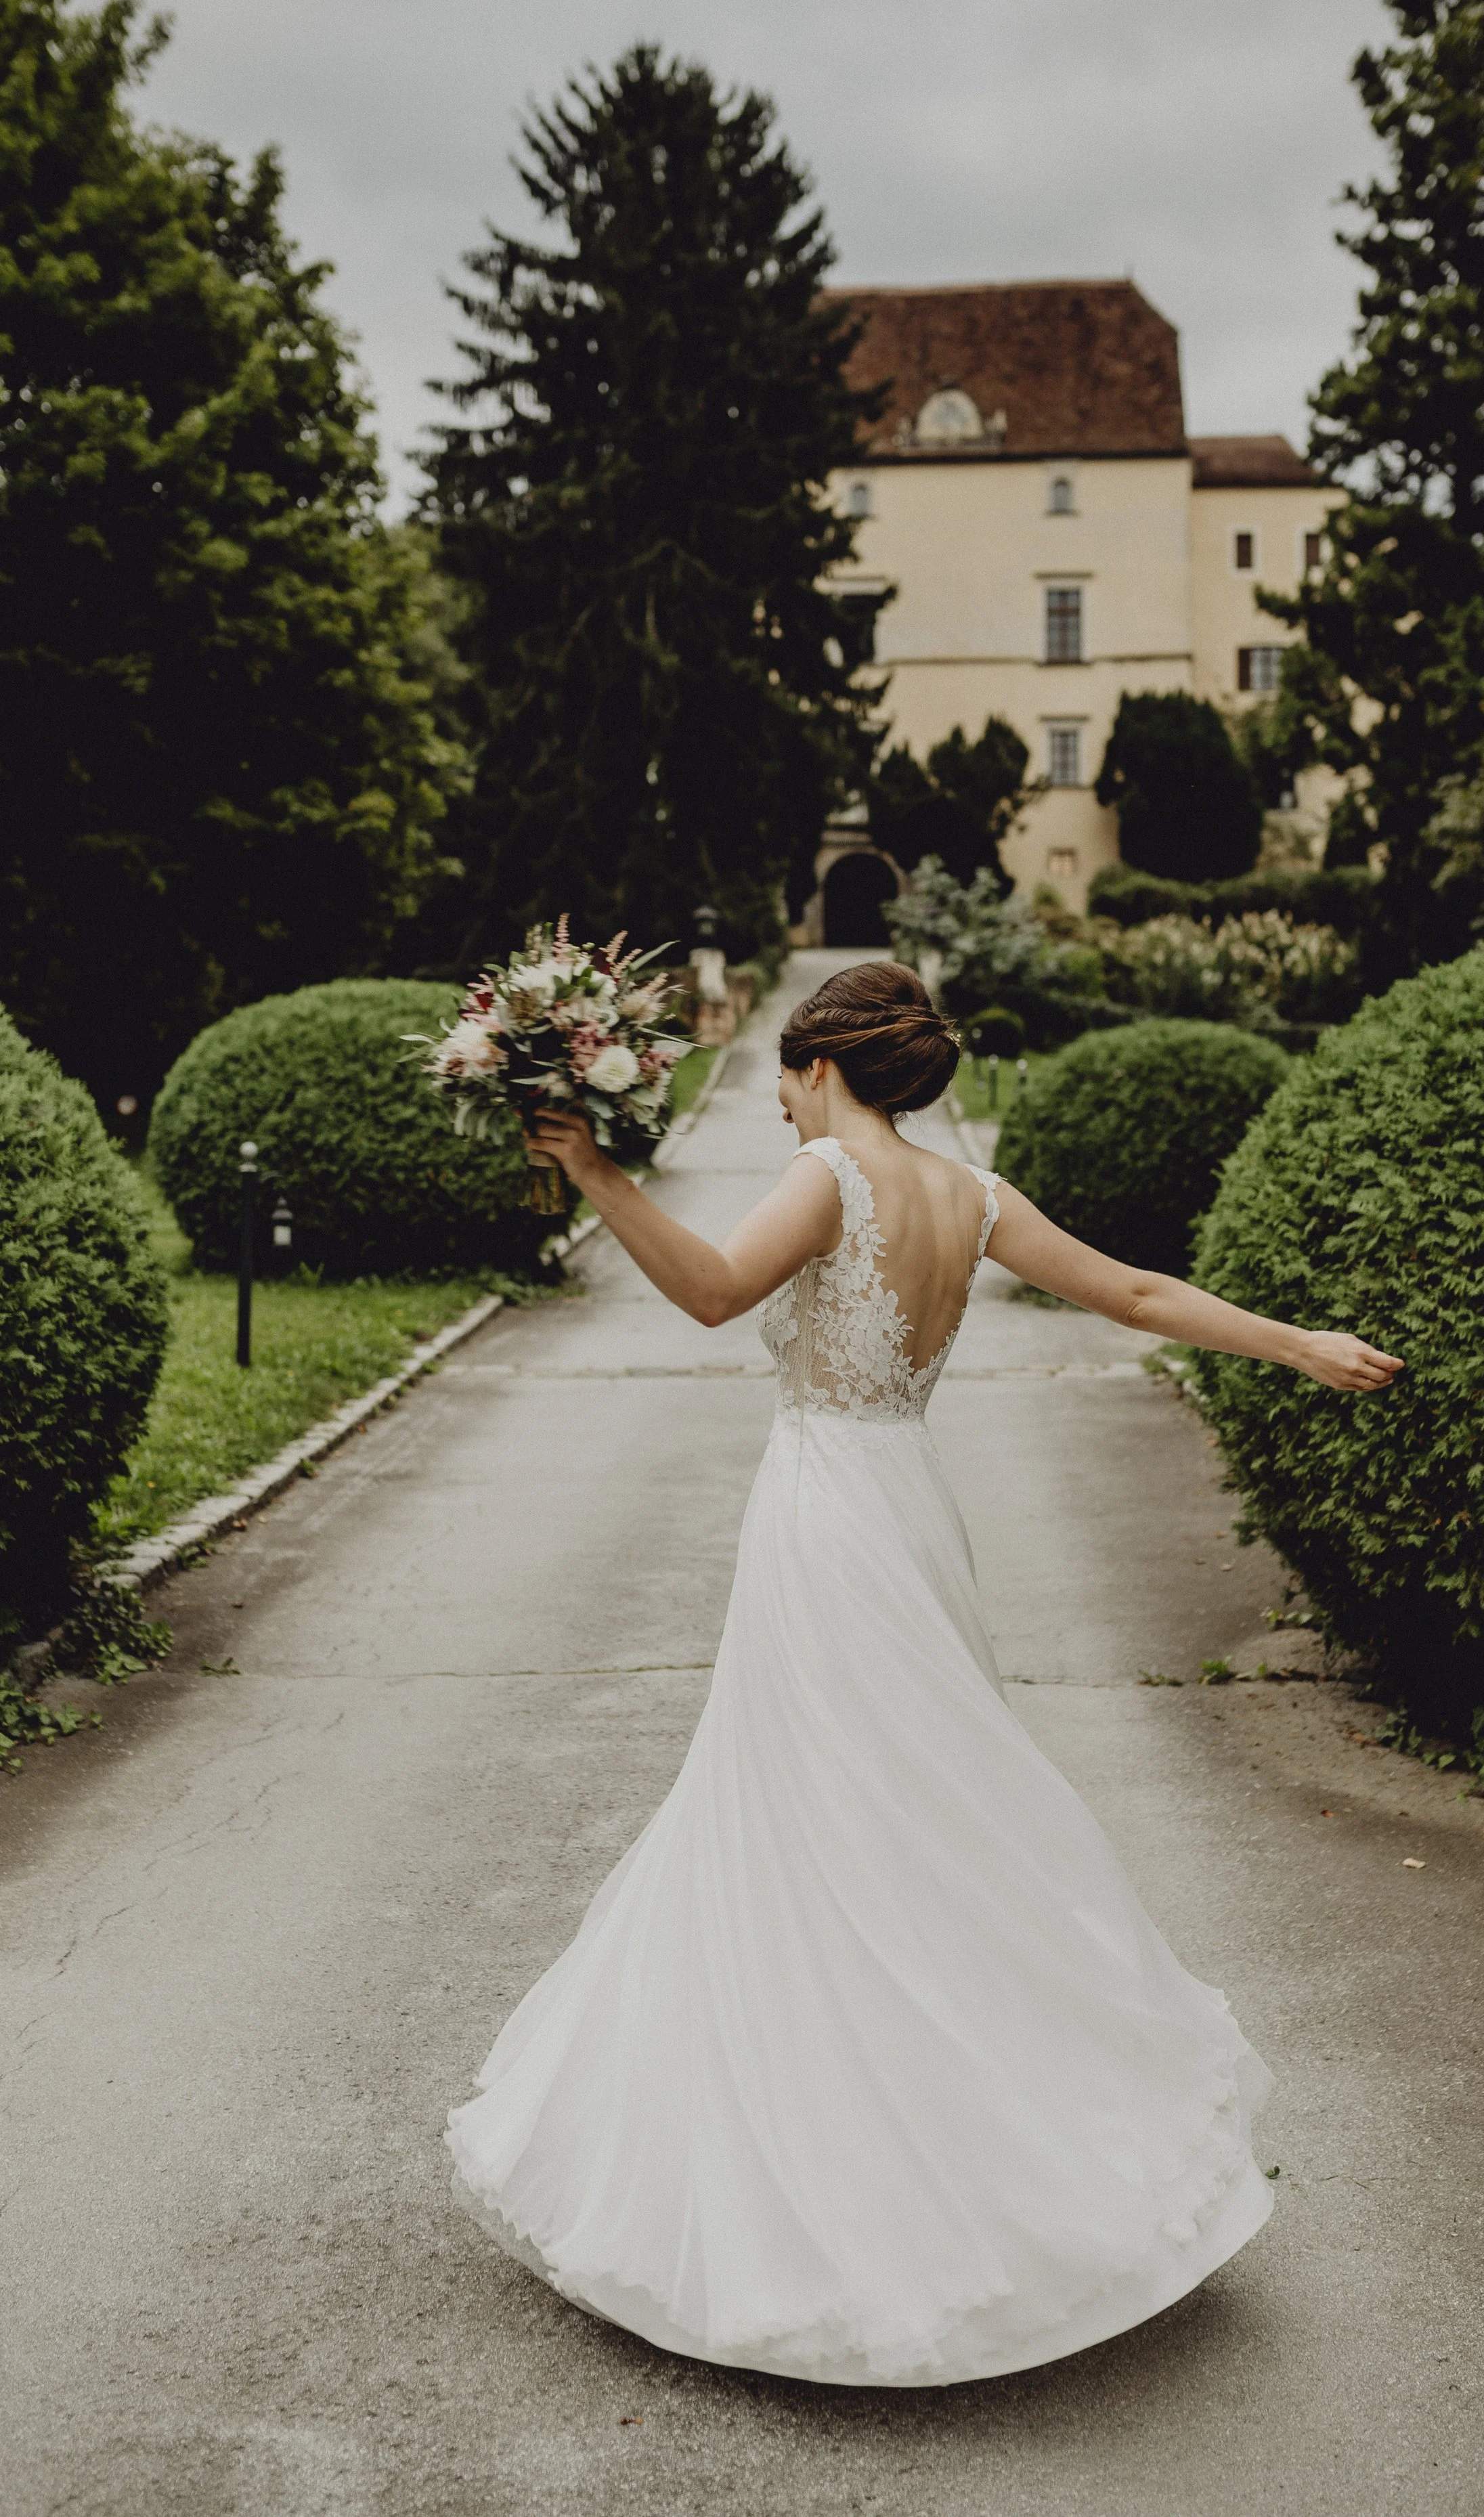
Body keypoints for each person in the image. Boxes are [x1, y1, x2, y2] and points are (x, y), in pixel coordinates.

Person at [445, 961, 1401, 2386]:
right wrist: (1293, 1342)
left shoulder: (831, 1174)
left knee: (816, 1820)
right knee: (911, 1808)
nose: (778, 1107)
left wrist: (592, 1170)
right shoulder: (973, 1194)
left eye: (785, 1079)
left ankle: (851, 2181)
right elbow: (1136, 1291)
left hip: (827, 1520)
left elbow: (711, 1293)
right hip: (910, 1507)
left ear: (824, 1066)